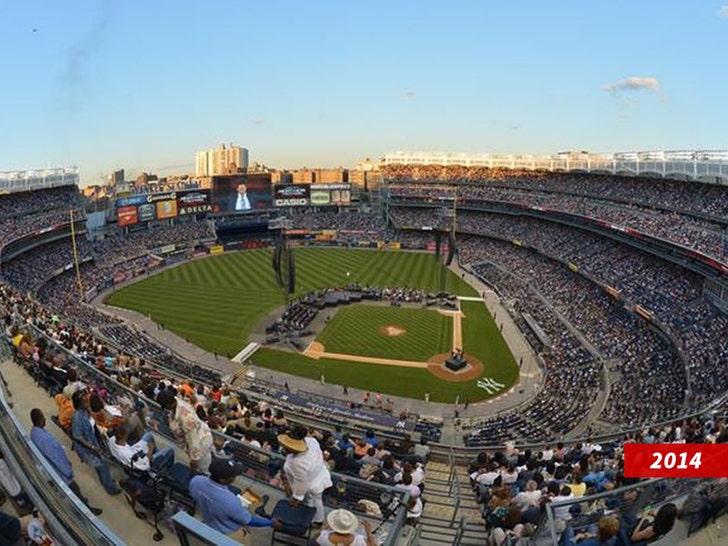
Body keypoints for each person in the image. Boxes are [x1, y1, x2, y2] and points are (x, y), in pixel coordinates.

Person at [29, 408, 103, 515]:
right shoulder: (44, 439)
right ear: (40, 420)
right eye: (43, 417)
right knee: (75, 491)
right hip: (60, 471)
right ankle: (87, 510)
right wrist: (67, 470)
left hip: (56, 468)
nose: (45, 419)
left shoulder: (35, 432)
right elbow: (55, 458)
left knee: (75, 490)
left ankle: (83, 504)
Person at [189, 458, 280, 542]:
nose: (235, 477)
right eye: (232, 475)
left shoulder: (196, 481)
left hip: (207, 522)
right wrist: (270, 522)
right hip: (227, 534)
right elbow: (248, 520)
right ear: (222, 480)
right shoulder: (230, 501)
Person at [278, 426, 333, 526]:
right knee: (317, 499)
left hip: (308, 483)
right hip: (319, 475)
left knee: (308, 502)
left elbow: (302, 483)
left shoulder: (296, 463)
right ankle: (319, 520)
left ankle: (307, 519)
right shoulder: (312, 441)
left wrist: (295, 499)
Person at [70, 391, 121, 495]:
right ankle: (111, 488)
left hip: (93, 441)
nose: (87, 401)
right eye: (84, 400)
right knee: (102, 466)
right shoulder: (77, 417)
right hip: (86, 449)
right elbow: (77, 437)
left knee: (102, 465)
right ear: (79, 403)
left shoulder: (87, 411)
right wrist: (92, 447)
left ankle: (108, 481)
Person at [157, 388, 213, 473]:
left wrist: (194, 461)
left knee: (201, 470)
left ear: (168, 404)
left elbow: (194, 442)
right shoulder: (175, 402)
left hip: (200, 443)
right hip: (193, 440)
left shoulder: (186, 419)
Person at [108, 426, 175, 474]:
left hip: (135, 451)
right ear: (124, 436)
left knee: (149, 435)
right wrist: (150, 451)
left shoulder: (112, 439)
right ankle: (161, 469)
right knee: (170, 450)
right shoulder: (128, 454)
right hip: (144, 461)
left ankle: (158, 456)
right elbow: (145, 466)